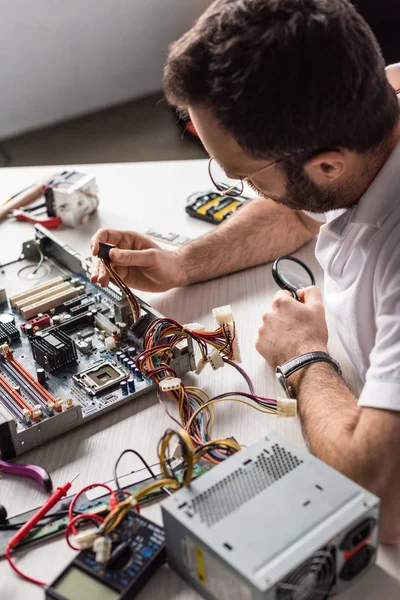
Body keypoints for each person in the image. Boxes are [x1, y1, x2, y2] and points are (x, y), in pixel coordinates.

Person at [91, 0, 400, 542]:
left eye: (246, 177)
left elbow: (384, 498)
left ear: (329, 163)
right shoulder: (379, 101)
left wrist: (302, 358)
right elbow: (302, 205)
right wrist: (181, 262)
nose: (242, 189)